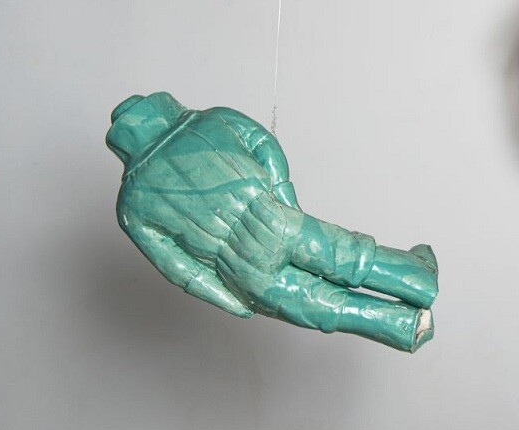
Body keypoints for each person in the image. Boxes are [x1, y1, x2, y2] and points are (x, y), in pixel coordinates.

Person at [107, 92, 438, 351]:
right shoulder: (210, 120)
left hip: (238, 269)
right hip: (272, 219)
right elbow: (264, 144)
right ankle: (418, 279)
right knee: (349, 256)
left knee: (326, 307)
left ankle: (406, 327)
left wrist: (231, 301)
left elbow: (183, 270)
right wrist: (284, 197)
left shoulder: (131, 204)